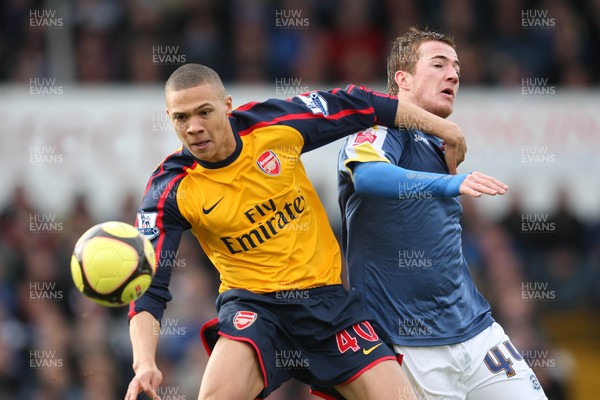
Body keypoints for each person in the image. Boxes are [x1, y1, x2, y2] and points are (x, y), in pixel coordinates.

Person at [124, 63, 466, 400]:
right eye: (181, 118)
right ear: (169, 117)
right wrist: (144, 363)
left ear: (227, 107)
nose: (194, 127)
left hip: (329, 305)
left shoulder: (274, 124)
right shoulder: (169, 189)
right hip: (255, 309)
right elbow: (148, 287)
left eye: (204, 112)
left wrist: (445, 129)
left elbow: (361, 103)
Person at [337, 27, 548, 399]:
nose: (453, 74)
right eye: (438, 64)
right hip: (410, 341)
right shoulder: (379, 126)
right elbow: (367, 177)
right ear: (402, 79)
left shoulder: (440, 144)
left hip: (476, 330)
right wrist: (452, 184)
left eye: (456, 69)